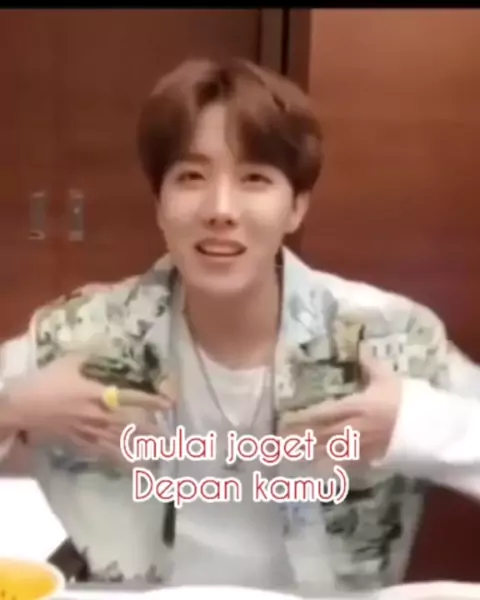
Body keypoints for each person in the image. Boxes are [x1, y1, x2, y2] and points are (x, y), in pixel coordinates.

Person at [0, 57, 479, 593]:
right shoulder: (79, 337)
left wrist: (410, 424)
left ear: (296, 207)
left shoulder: (390, 339)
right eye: (191, 177)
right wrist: (15, 406)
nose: (221, 209)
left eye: (255, 178)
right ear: (159, 203)